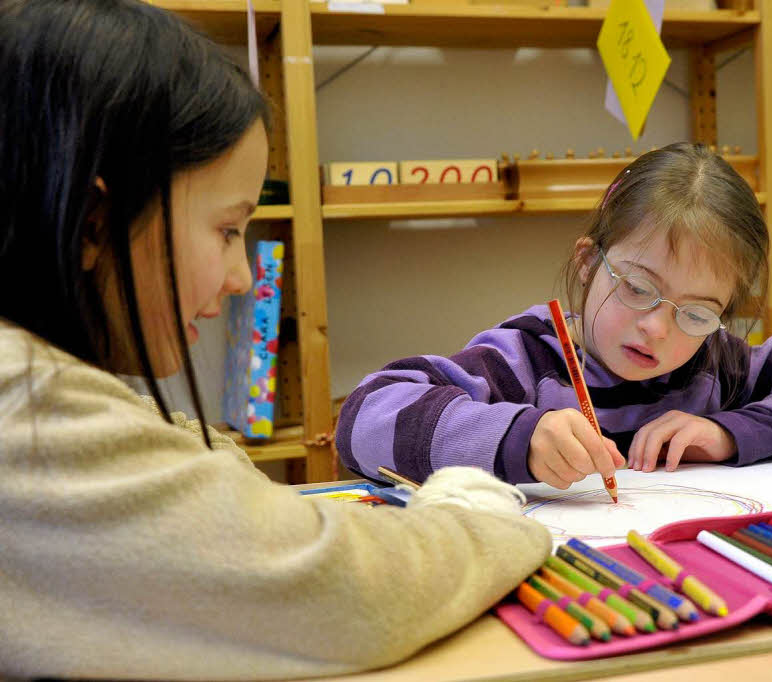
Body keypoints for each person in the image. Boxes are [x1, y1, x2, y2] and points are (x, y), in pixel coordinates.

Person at [0, 1, 549, 678]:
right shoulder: (25, 404)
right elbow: (346, 594)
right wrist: (480, 506)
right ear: (92, 222)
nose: (239, 277)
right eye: (229, 230)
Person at [337, 143, 772, 490]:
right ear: (589, 263)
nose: (658, 328)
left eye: (696, 313)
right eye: (638, 288)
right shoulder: (524, 361)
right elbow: (363, 417)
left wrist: (727, 433)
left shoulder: (715, 360)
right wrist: (520, 436)